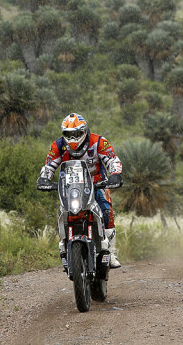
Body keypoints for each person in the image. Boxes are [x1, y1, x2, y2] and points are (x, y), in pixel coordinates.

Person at [37, 113, 123, 268]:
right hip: (71, 187)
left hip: (97, 183)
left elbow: (112, 160)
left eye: (76, 133)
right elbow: (49, 166)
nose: (73, 137)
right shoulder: (57, 146)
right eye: (68, 134)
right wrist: (44, 178)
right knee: (63, 214)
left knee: (106, 211)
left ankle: (111, 252)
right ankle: (64, 247)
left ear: (84, 131)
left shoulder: (98, 142)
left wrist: (115, 174)